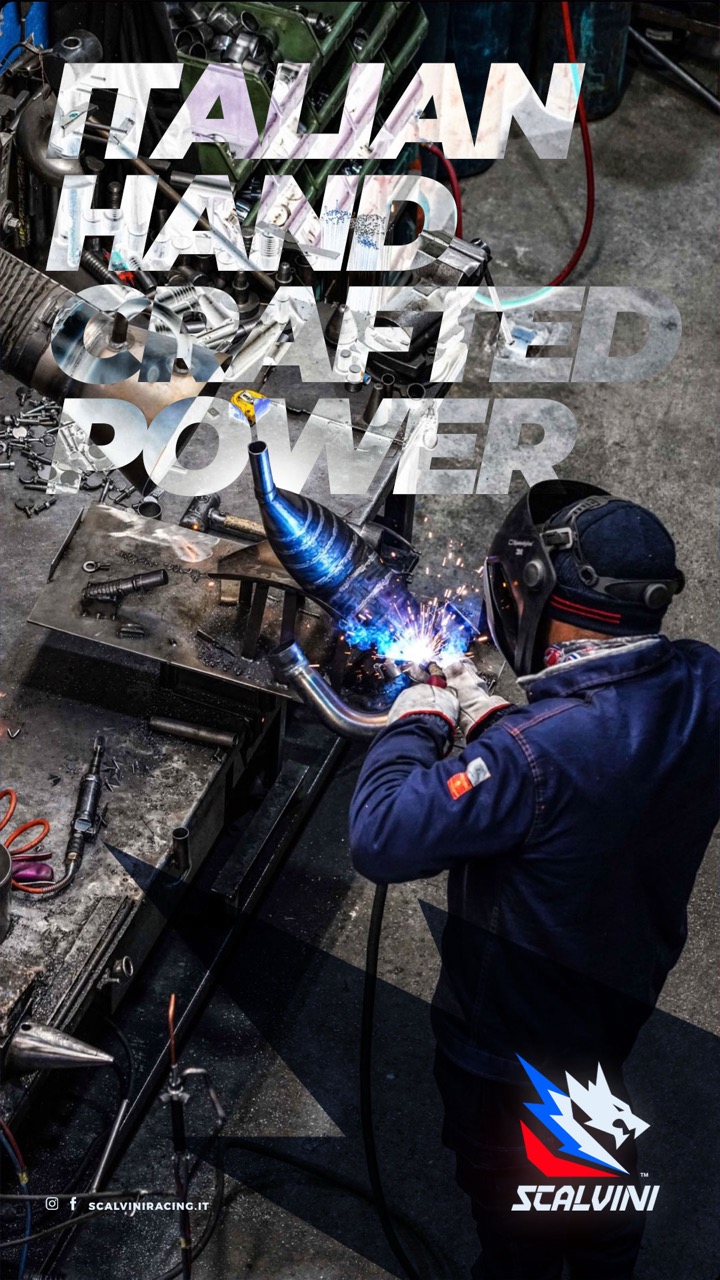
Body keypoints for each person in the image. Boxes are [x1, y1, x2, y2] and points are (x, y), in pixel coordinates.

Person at [349, 480, 720, 1280]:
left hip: (507, 1046)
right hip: (612, 995)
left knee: (521, 1220)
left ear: (546, 594)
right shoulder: (704, 683)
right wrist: (497, 719)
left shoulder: (531, 757)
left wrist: (421, 715)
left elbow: (382, 837)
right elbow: (597, 766)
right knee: (594, 1187)